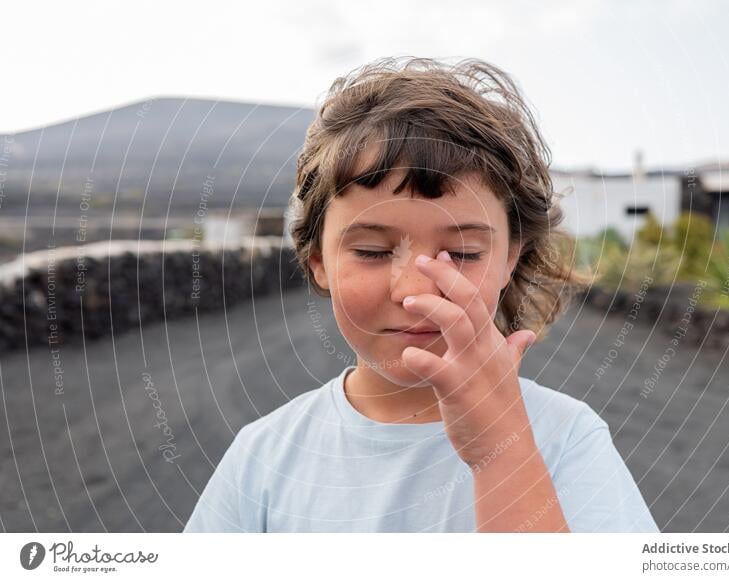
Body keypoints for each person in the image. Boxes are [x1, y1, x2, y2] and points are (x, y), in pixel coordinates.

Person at [183, 56, 659, 533]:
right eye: (371, 251)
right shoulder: (262, 458)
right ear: (319, 262)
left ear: (508, 260)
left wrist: (499, 449)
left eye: (464, 253)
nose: (415, 291)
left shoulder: (566, 440)